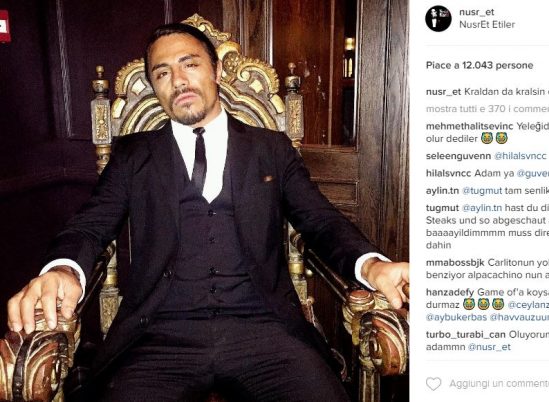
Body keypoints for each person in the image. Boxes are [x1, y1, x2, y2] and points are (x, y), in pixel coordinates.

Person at [7, 23, 409, 402]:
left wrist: (372, 265)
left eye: (190, 64)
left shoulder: (271, 148)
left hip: (265, 332)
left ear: (215, 71)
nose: (178, 80)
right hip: (159, 338)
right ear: (155, 87)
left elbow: (320, 220)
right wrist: (63, 271)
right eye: (162, 73)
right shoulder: (132, 155)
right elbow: (90, 225)